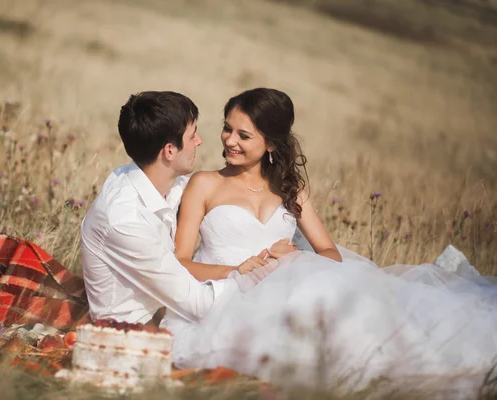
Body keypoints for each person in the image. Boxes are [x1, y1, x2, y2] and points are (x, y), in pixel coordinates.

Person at [167, 88, 497, 392]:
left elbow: (329, 253)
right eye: (227, 128)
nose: (230, 140)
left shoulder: (289, 189)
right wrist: (238, 270)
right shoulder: (205, 184)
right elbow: (180, 261)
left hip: (284, 293)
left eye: (244, 135)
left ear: (270, 144)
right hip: (226, 297)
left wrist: (290, 258)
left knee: (368, 318)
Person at [80, 91, 283, 325]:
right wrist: (250, 277)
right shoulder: (126, 221)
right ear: (169, 151)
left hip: (175, 307)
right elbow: (198, 303)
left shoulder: (167, 184)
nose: (199, 141)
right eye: (192, 135)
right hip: (137, 329)